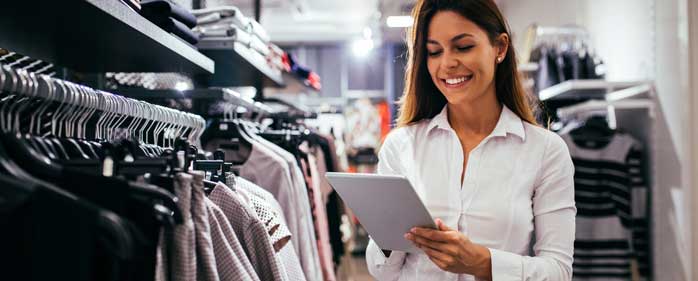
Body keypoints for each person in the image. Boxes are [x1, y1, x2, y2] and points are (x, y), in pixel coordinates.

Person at [365, 0, 576, 280]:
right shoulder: (401, 146)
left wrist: (483, 263)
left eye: (463, 47)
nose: (447, 63)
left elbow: (558, 271)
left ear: (499, 48)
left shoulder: (545, 151)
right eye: (434, 52)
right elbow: (382, 271)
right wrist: (390, 234)